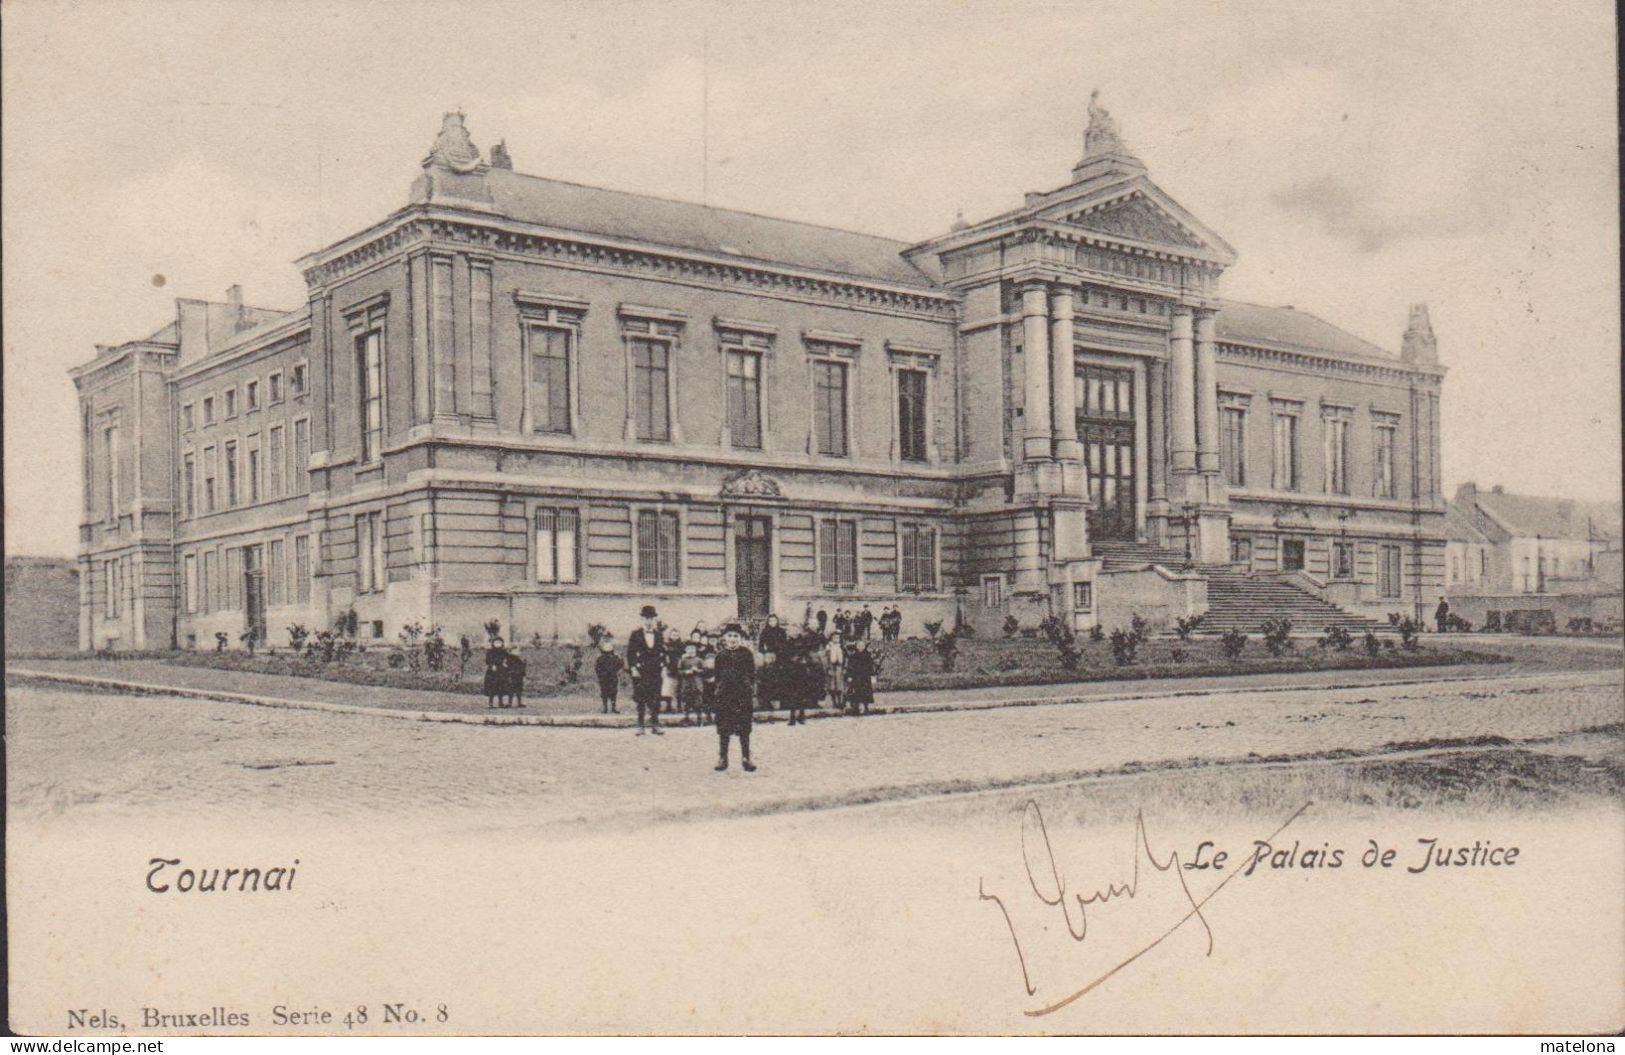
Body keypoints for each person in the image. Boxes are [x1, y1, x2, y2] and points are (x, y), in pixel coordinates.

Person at [712, 623, 758, 771]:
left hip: (742, 696)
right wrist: (720, 690)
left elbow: (752, 675)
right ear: (725, 638)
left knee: (744, 727)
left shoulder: (746, 654)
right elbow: (717, 676)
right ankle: (722, 758)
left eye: (736, 636)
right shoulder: (720, 655)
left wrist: (747, 688)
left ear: (741, 638)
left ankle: (746, 758)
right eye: (730, 636)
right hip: (725, 696)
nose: (733, 639)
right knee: (724, 727)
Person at [626, 605, 666, 735]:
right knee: (641, 698)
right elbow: (630, 653)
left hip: (655, 671)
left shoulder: (659, 635)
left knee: (655, 698)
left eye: (651, 619)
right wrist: (633, 668)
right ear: (642, 619)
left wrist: (663, 667)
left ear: (654, 620)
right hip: (641, 670)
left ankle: (655, 724)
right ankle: (640, 725)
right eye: (646, 619)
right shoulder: (635, 634)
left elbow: (662, 652)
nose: (649, 621)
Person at [757, 614, 788, 710]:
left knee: (781, 678)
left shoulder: (782, 631)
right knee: (769, 678)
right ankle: (767, 702)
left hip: (781, 657)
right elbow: (760, 646)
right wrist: (766, 654)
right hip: (770, 657)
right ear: (768, 622)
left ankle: (782, 702)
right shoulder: (765, 632)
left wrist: (782, 652)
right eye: (770, 621)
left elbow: (785, 644)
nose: (772, 623)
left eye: (774, 620)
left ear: (777, 621)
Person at [677, 641, 705, 724]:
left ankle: (699, 719)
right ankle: (686, 718)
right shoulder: (682, 660)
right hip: (686, 684)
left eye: (692, 648)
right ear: (685, 650)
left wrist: (698, 670)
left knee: (698, 702)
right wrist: (686, 672)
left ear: (696, 650)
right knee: (686, 702)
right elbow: (678, 671)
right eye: (688, 649)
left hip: (697, 684)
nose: (691, 650)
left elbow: (705, 671)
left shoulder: (699, 660)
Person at [847, 638, 876, 715]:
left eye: (862, 645)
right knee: (856, 692)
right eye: (859, 645)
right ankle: (856, 707)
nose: (860, 647)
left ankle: (866, 707)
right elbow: (850, 667)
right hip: (856, 677)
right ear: (856, 646)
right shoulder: (853, 656)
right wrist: (849, 676)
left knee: (866, 692)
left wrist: (872, 676)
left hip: (865, 677)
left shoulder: (867, 656)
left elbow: (871, 666)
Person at [594, 638, 624, 714]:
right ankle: (612, 708)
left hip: (605, 678)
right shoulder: (614, 658)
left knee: (605, 692)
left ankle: (605, 708)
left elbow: (597, 668)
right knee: (612, 693)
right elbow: (620, 665)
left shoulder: (600, 658)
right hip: (611, 677)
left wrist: (600, 676)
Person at [825, 630, 848, 715]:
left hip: (840, 667)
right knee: (832, 685)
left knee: (840, 685)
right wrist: (828, 668)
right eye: (834, 637)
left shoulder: (842, 647)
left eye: (838, 637)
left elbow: (846, 658)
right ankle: (834, 701)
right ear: (831, 638)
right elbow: (826, 658)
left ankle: (841, 701)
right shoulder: (828, 647)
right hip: (831, 666)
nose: (836, 639)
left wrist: (845, 667)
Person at [661, 627, 683, 713]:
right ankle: (668, 706)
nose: (675, 636)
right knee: (668, 688)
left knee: (679, 688)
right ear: (670, 635)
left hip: (679, 667)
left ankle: (679, 705)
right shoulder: (667, 645)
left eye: (677, 635)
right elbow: (664, 656)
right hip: (669, 667)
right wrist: (665, 666)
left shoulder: (682, 645)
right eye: (673, 635)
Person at [483, 636, 509, 709]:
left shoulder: (503, 651)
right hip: (492, 671)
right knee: (492, 687)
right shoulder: (490, 652)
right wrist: (492, 665)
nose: (498, 644)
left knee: (501, 686)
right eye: (496, 642)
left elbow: (507, 658)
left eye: (499, 643)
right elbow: (487, 660)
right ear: (493, 643)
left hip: (501, 670)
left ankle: (501, 703)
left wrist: (505, 663)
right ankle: (490, 703)